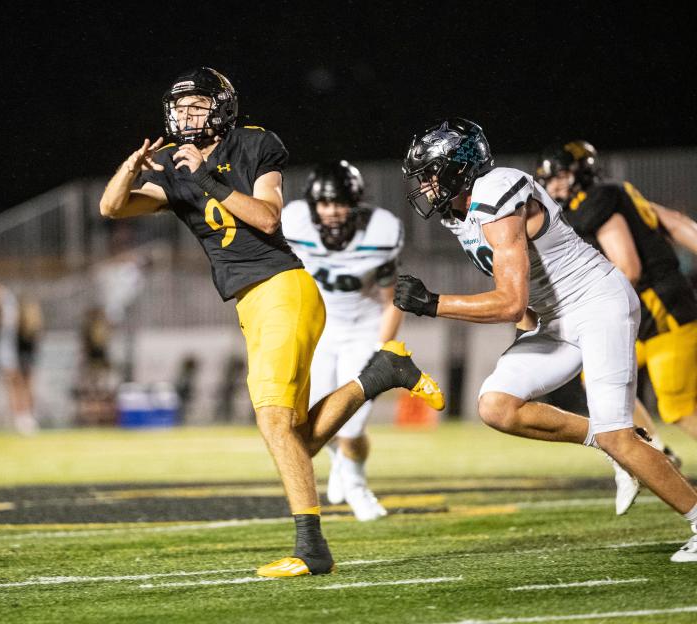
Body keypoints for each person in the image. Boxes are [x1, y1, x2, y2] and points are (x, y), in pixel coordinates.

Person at [98, 66, 444, 577]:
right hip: (249, 304)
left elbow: (267, 217)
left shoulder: (254, 144)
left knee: (273, 422)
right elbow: (111, 207)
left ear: (221, 108)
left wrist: (207, 176)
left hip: (284, 288)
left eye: (197, 105)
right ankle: (382, 372)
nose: (185, 115)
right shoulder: (175, 163)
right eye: (181, 107)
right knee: (294, 436)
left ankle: (312, 547)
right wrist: (132, 168)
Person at [395, 117, 697, 562]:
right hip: (556, 318)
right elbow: (528, 301)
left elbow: (510, 301)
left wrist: (433, 303)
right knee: (497, 405)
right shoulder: (459, 214)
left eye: (432, 173)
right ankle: (615, 441)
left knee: (619, 435)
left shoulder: (498, 190)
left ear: (460, 167)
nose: (426, 184)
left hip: (598, 304)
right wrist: (524, 346)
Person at [537, 141, 693, 510]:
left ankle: (650, 452)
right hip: (655, 314)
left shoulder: (596, 203)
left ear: (581, 171)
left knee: (681, 408)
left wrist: (594, 306)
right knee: (597, 374)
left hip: (662, 313)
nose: (554, 186)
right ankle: (652, 450)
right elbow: (676, 223)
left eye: (559, 176)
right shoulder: (618, 192)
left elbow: (629, 267)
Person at [281, 160, 404, 521]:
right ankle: (339, 461)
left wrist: (384, 349)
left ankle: (357, 485)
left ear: (355, 203)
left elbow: (391, 298)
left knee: (352, 423)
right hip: (319, 327)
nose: (332, 212)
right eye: (325, 203)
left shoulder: (379, 232)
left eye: (340, 203)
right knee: (316, 415)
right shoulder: (295, 222)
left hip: (364, 329)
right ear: (313, 205)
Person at [0, 283, 38, 435]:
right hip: (1, 356)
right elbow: (8, 304)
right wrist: (0, 293)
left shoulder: (1, 316)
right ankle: (8, 420)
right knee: (3, 388)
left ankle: (9, 420)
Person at [17, 293, 44, 414]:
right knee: (29, 387)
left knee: (21, 388)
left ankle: (23, 413)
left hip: (20, 357)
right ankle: (30, 413)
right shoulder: (35, 323)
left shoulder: (19, 322)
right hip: (30, 357)